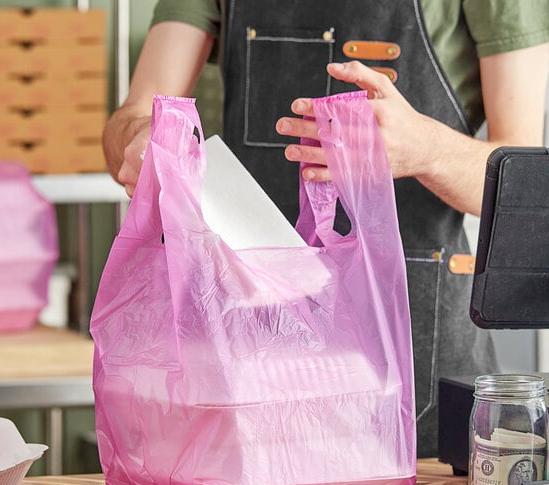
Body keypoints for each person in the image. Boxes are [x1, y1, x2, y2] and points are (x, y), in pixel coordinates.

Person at [102, 1, 549, 457]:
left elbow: (524, 191)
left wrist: (426, 149)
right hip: (246, 340)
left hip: (414, 351)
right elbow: (133, 115)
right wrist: (141, 138)